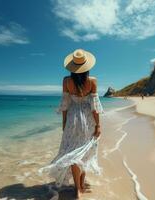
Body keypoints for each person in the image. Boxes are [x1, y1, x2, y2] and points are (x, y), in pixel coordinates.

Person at [39, 49, 103, 199]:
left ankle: (78, 189)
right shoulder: (93, 81)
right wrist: (98, 125)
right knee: (85, 151)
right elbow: (95, 107)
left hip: (73, 120)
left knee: (73, 152)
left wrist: (64, 124)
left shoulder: (66, 81)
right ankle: (81, 182)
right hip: (87, 119)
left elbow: (65, 105)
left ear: (72, 67)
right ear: (87, 66)